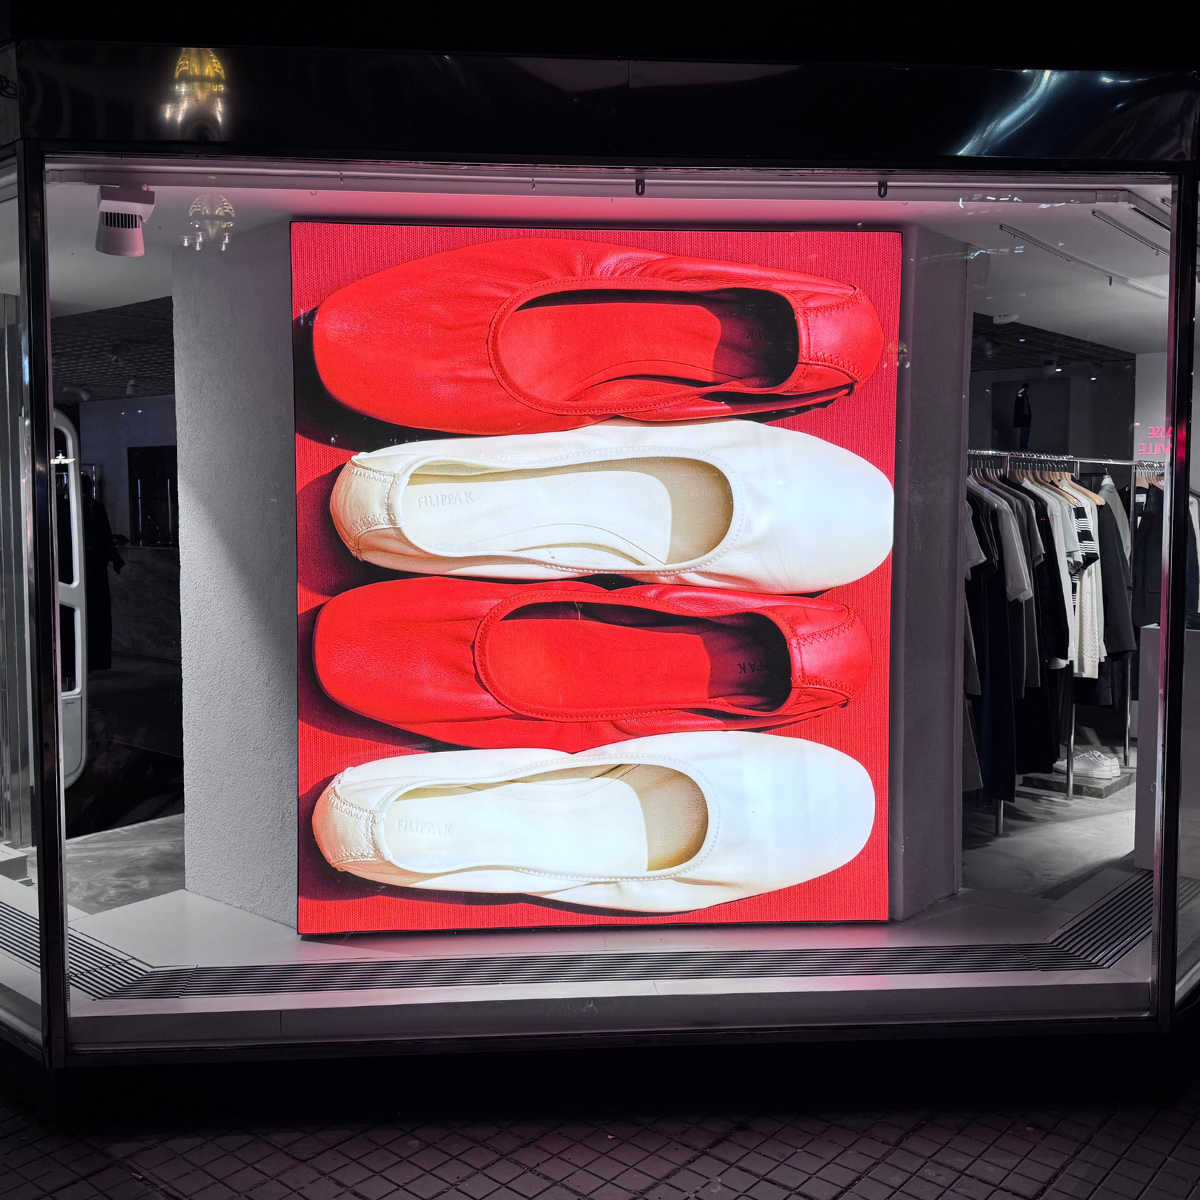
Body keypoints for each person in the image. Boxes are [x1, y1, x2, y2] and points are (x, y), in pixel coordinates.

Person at [81, 474, 123, 671]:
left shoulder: (69, 508)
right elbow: (105, 536)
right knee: (98, 614)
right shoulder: (95, 507)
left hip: (81, 568)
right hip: (95, 568)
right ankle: (97, 659)